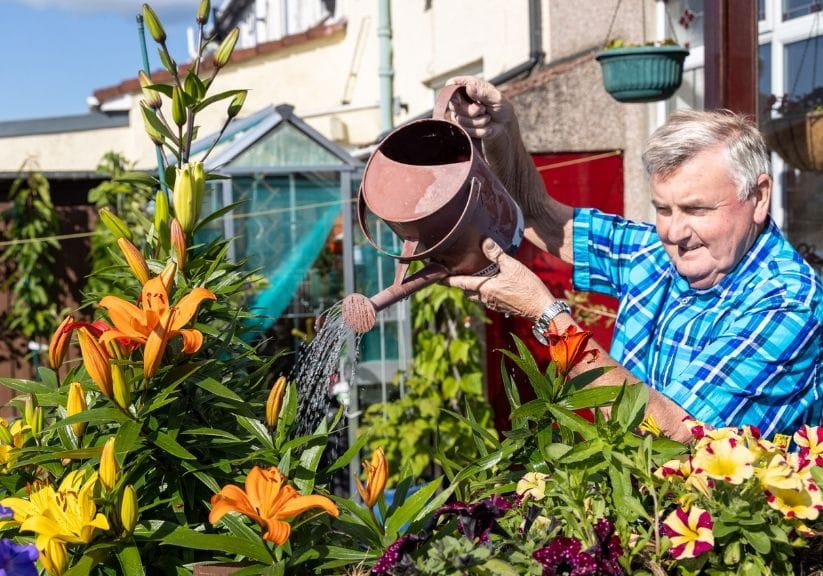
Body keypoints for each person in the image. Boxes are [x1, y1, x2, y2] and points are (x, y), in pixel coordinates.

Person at [442, 75, 822, 443]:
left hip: (707, 506)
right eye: (663, 209)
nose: (674, 233)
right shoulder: (656, 253)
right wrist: (501, 134)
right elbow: (535, 213)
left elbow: (671, 433)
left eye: (697, 209)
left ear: (758, 197)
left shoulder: (788, 303)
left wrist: (548, 316)